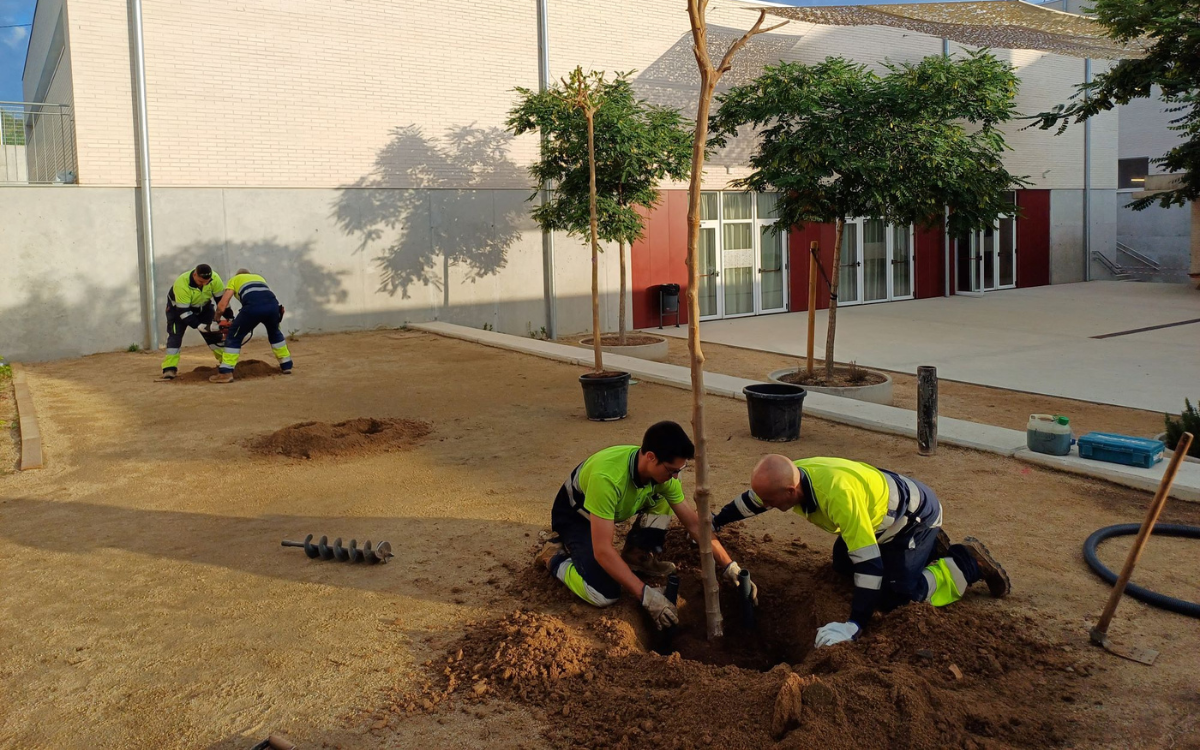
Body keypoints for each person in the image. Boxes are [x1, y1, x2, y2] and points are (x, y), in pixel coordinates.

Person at [713, 454, 1010, 648]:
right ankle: (925, 548)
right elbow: (752, 501)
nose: (766, 506)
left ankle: (964, 563)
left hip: (911, 519)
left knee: (899, 595)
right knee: (843, 565)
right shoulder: (791, 475)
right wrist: (716, 522)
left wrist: (854, 625)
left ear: (790, 492)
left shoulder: (838, 497)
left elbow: (871, 568)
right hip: (878, 514)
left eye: (771, 501)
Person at [536, 421, 756, 630]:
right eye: (672, 470)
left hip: (611, 510)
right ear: (651, 457)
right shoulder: (607, 479)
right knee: (604, 594)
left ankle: (637, 555)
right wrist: (646, 595)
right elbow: (603, 550)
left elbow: (694, 524)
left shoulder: (663, 475)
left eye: (680, 469)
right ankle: (554, 557)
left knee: (664, 498)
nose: (676, 476)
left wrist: (729, 566)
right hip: (577, 517)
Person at [209, 269, 293, 383]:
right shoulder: (259, 278)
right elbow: (263, 297)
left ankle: (226, 372)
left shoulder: (234, 280)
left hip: (252, 308)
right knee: (275, 333)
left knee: (234, 336)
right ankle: (286, 365)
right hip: (273, 307)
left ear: (238, 276)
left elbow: (222, 304)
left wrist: (216, 320)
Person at [161, 263, 229, 379]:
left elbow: (222, 301)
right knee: (175, 336)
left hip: (204, 308)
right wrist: (199, 326)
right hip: (178, 310)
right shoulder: (182, 284)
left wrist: (230, 317)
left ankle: (227, 364)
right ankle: (169, 368)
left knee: (214, 336)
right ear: (195, 274)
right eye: (201, 281)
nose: (204, 284)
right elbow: (184, 312)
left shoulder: (215, 279)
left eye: (206, 282)